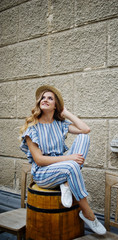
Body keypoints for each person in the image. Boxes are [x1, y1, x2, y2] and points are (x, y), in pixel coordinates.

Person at [20, 85, 106, 235]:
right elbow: (39, 160)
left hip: (63, 166)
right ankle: (88, 214)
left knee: (84, 138)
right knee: (71, 166)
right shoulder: (32, 129)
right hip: (43, 174)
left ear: (56, 106)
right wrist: (69, 158)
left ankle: (66, 182)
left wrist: (66, 113)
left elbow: (85, 129)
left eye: (50, 98)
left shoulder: (60, 124)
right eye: (43, 97)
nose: (45, 100)